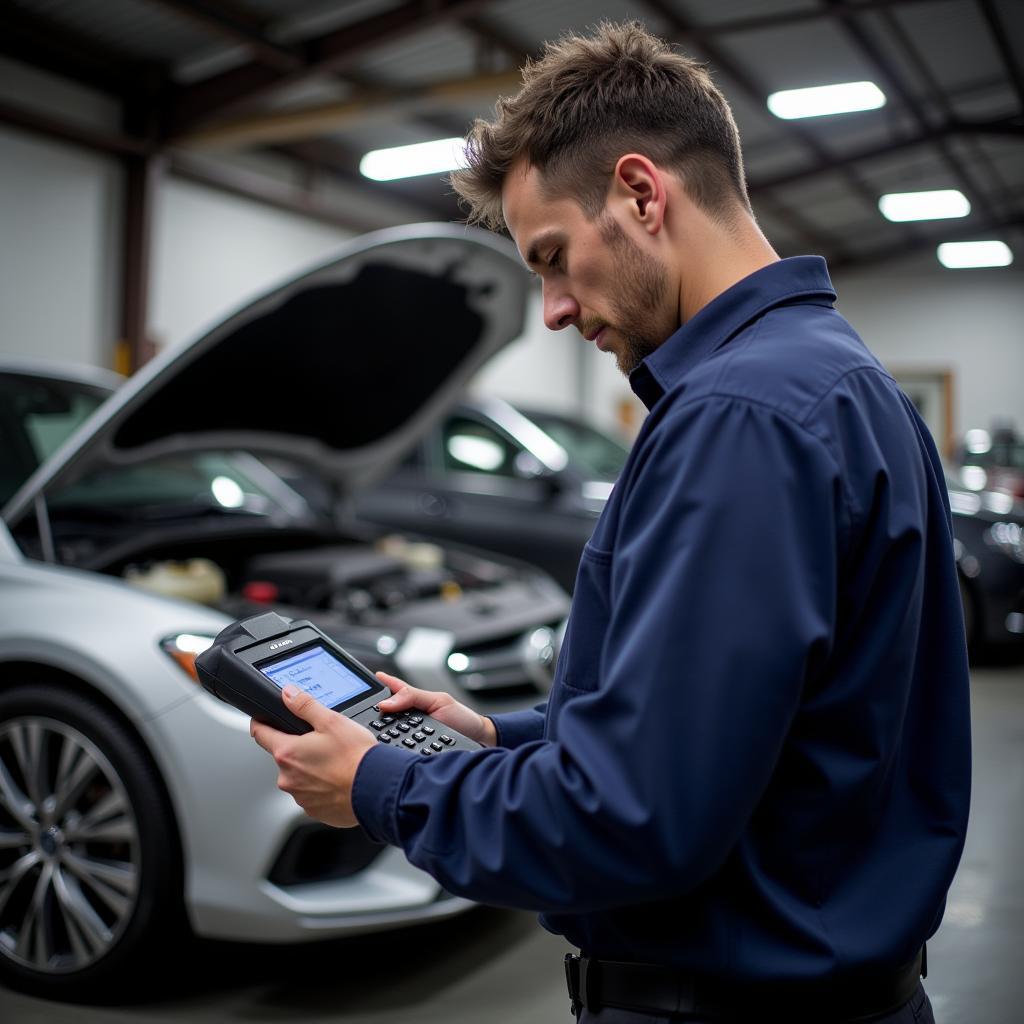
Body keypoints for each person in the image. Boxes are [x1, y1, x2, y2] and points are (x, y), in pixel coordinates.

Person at [251, 21, 971, 1023]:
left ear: (640, 192)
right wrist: (494, 735)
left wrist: (378, 785)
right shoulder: (842, 381)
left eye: (551, 257)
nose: (548, 308)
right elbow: (748, 725)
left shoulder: (737, 417)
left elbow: (632, 822)